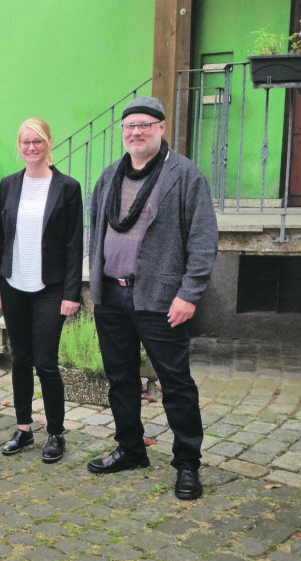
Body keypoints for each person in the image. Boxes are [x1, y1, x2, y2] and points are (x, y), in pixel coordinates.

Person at [86, 96, 218, 500]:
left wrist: (189, 294)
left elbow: (203, 238)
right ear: (123, 133)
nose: (136, 132)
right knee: (121, 378)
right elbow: (96, 232)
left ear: (161, 128)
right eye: (129, 126)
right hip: (111, 296)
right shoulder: (110, 176)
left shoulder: (184, 176)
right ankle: (130, 448)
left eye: (145, 124)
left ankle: (187, 464)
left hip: (161, 299)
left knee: (176, 383)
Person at [0, 118, 83, 462]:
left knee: (46, 362)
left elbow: (74, 244)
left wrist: (72, 293)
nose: (31, 147)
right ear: (19, 145)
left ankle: (56, 432)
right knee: (20, 359)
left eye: (37, 141)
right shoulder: (9, 185)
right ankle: (24, 427)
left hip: (50, 288)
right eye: (25, 142)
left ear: (48, 143)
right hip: (13, 283)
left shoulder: (67, 187)